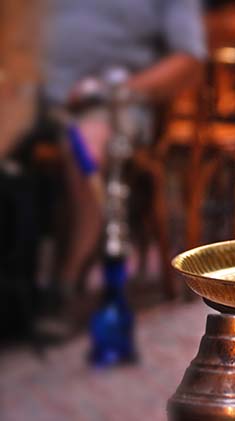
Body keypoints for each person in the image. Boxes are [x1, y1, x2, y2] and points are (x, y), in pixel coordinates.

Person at [38, 0, 206, 323]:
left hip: (111, 101)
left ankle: (64, 286)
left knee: (85, 148)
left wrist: (112, 90)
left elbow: (188, 60)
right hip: (32, 92)